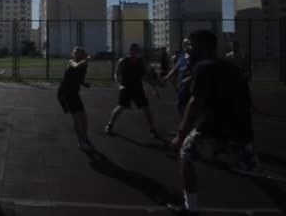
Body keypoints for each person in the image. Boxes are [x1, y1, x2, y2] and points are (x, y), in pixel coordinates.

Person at [171, 30, 260, 215]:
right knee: (247, 169)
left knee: (186, 154)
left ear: (203, 46)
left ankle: (191, 208)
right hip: (241, 130)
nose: (190, 48)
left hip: (213, 129)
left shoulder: (203, 68)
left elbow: (195, 103)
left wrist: (181, 134)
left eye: (193, 44)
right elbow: (246, 99)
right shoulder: (232, 67)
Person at [104, 43, 160, 138]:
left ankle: (153, 129)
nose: (134, 52)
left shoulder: (141, 62)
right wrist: (119, 85)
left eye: (136, 50)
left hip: (138, 89)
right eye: (132, 50)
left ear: (138, 51)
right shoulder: (122, 61)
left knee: (146, 109)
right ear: (129, 51)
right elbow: (116, 75)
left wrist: (154, 89)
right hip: (126, 88)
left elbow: (146, 77)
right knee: (120, 107)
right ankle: (109, 125)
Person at [57, 47, 93, 151]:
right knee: (77, 117)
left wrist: (84, 83)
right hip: (65, 93)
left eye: (80, 53)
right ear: (73, 55)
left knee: (84, 117)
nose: (77, 55)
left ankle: (85, 138)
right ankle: (80, 142)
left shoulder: (84, 65)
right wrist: (87, 59)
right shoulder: (71, 62)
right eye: (75, 53)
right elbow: (76, 67)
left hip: (74, 93)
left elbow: (78, 78)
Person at [163, 39, 193, 117]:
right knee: (179, 104)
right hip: (182, 85)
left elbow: (197, 71)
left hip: (191, 85)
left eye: (189, 44)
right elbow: (175, 68)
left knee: (191, 105)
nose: (187, 46)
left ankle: (190, 123)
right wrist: (167, 76)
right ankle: (184, 120)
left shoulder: (195, 57)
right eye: (185, 44)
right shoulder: (181, 57)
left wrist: (189, 79)